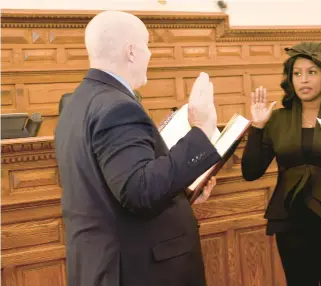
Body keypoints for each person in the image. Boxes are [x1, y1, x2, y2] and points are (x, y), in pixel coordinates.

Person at [55, 10, 220, 286]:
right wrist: (202, 131)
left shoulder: (75, 105)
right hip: (137, 270)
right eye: (147, 45)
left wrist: (181, 192)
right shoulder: (118, 108)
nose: (149, 54)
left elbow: (110, 189)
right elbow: (140, 192)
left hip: (101, 265)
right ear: (131, 51)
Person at [241, 42, 321, 286]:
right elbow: (251, 172)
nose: (303, 79)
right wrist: (258, 127)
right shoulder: (278, 119)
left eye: (312, 72)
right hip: (291, 226)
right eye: (297, 73)